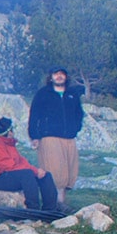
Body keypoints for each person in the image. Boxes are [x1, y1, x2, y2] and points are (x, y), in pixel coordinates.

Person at [27, 66, 85, 210]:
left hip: (69, 138)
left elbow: (79, 114)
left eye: (62, 74)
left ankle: (61, 203)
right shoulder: (43, 94)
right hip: (49, 137)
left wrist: (76, 128)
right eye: (56, 74)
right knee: (55, 171)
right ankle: (53, 204)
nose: (59, 77)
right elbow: (34, 116)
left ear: (66, 77)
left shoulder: (72, 94)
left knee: (68, 172)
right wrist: (34, 136)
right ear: (51, 77)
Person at [0, 117, 59, 212]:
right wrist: (34, 171)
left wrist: (36, 171)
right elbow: (9, 166)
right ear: (9, 132)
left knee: (46, 176)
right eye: (12, 130)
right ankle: (33, 209)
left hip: (8, 175)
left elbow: (20, 162)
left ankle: (50, 209)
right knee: (27, 175)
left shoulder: (7, 143)